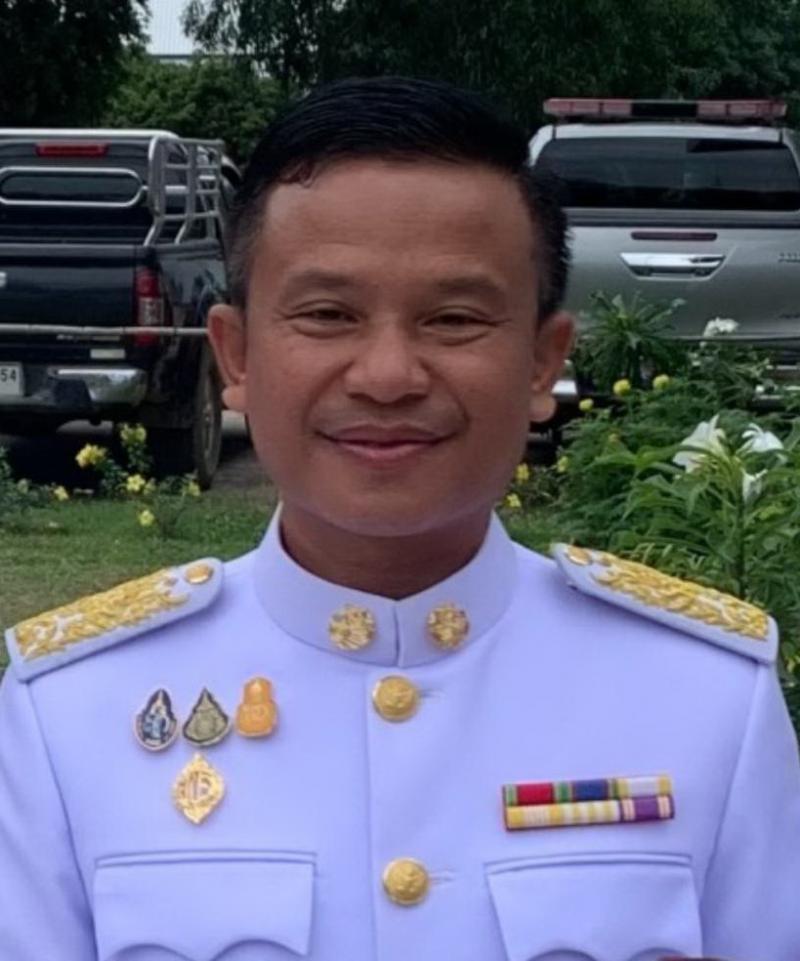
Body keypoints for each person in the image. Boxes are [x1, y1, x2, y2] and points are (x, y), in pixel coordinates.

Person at [0, 77, 798, 961]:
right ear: (237, 355)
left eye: (453, 318)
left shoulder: (705, 697)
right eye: (327, 315)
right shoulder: (70, 711)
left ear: (543, 363)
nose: (387, 376)